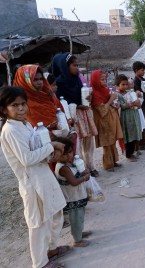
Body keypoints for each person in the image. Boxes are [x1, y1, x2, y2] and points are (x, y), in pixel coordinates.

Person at [0, 86, 70, 268]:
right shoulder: (10, 130)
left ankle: (52, 248)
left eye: (23, 104)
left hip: (43, 174)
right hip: (32, 182)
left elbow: (36, 147)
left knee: (55, 211)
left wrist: (50, 154)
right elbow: (26, 158)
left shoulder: (26, 124)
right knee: (38, 223)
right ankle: (40, 263)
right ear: (3, 109)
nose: (21, 109)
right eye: (15, 105)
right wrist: (52, 145)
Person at [51, 53, 99, 177]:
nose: (77, 68)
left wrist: (89, 97)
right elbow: (62, 103)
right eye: (74, 65)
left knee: (89, 142)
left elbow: (83, 94)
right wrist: (77, 106)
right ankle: (80, 167)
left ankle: (90, 165)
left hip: (85, 113)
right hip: (74, 116)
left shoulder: (77, 79)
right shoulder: (60, 83)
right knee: (78, 144)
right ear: (65, 66)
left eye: (77, 65)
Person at [54, 137, 91, 247]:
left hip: (77, 197)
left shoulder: (69, 164)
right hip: (72, 198)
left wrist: (84, 172)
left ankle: (79, 233)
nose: (69, 156)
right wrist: (85, 178)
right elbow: (74, 182)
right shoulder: (63, 168)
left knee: (80, 217)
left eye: (70, 152)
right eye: (64, 154)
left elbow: (77, 173)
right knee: (76, 218)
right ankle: (77, 240)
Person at [90, 70, 123, 170]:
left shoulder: (105, 90)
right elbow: (102, 110)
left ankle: (114, 161)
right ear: (95, 80)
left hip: (110, 119)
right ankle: (108, 164)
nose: (104, 81)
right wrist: (111, 100)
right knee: (107, 142)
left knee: (112, 140)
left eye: (105, 79)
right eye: (102, 79)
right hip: (102, 120)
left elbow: (111, 103)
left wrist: (116, 104)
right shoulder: (94, 93)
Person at [13, 65, 64, 129]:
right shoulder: (23, 104)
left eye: (41, 79)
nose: (40, 82)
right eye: (35, 79)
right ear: (25, 82)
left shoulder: (46, 95)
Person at [115, 74, 142, 161]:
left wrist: (137, 102)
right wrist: (134, 103)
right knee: (127, 135)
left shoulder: (130, 93)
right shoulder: (117, 95)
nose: (125, 86)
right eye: (123, 84)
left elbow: (137, 103)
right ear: (118, 85)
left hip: (133, 115)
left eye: (126, 84)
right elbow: (123, 106)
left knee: (133, 133)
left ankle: (132, 151)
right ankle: (128, 154)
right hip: (125, 118)